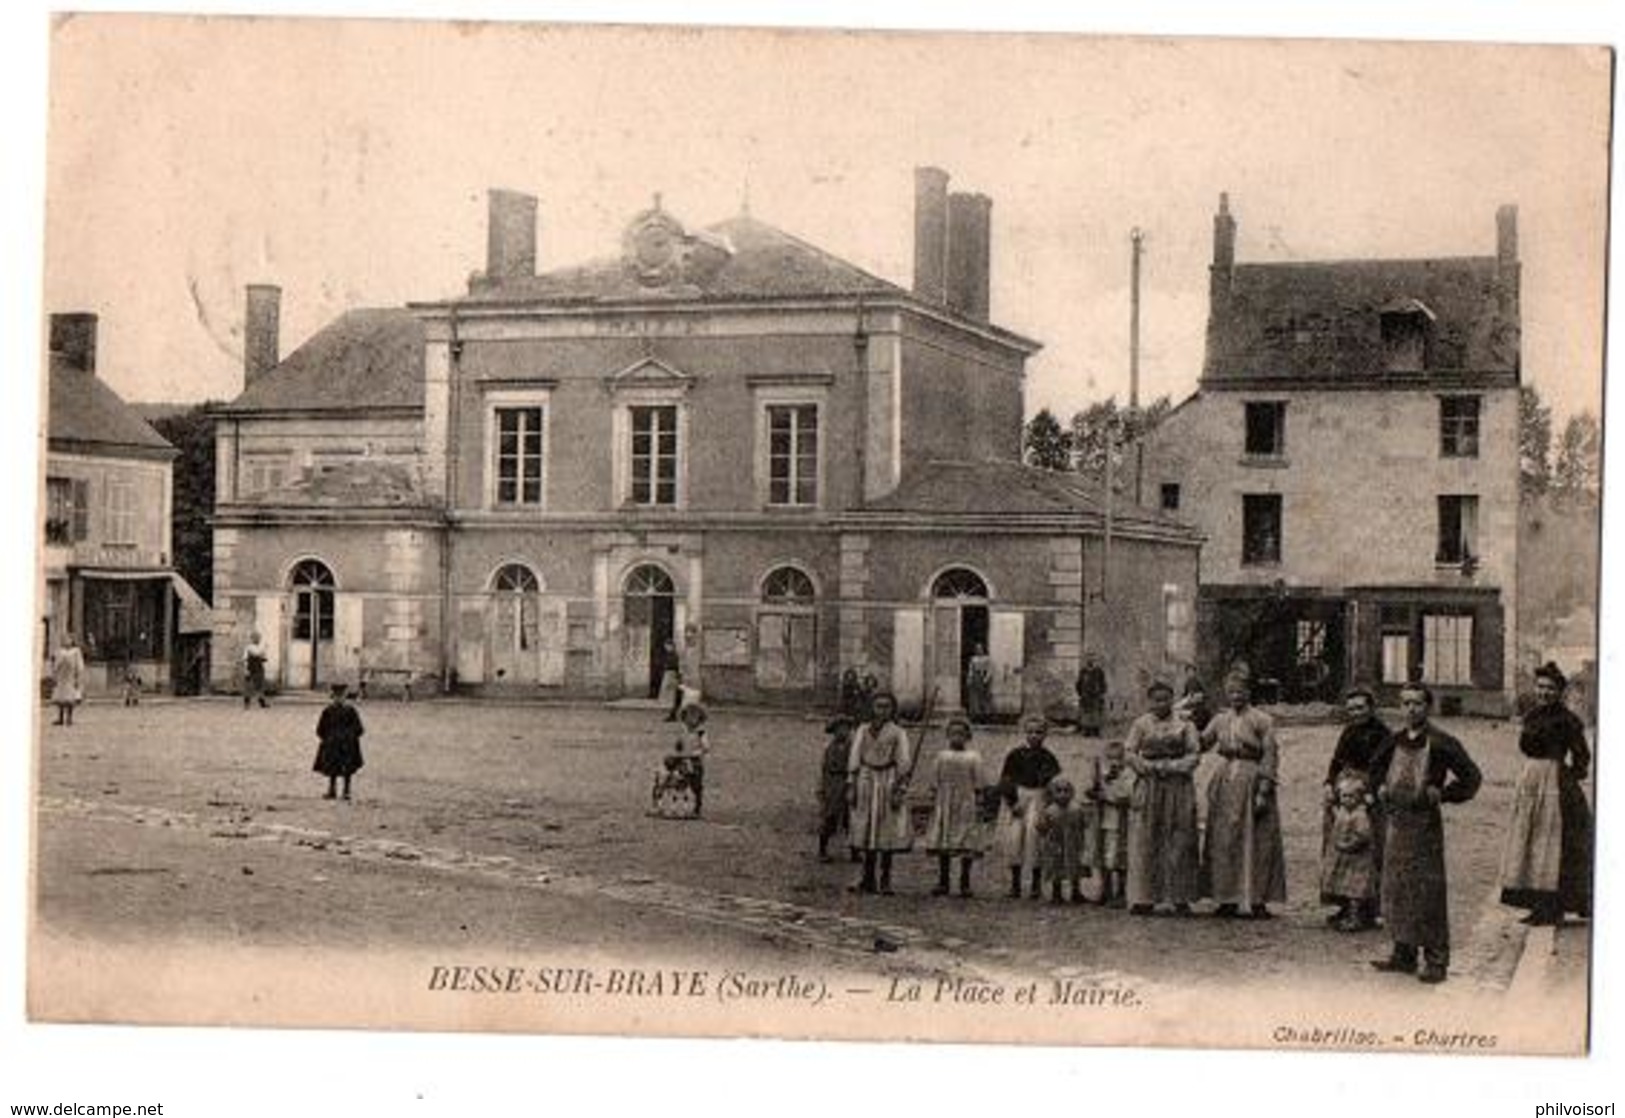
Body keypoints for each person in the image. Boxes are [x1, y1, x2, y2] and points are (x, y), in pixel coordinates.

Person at [1369, 683, 1482, 984]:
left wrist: (1442, 794)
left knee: (1428, 891)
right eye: (1405, 703)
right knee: (1397, 887)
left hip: (1424, 826)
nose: (1411, 709)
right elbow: (1374, 770)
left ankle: (1436, 960)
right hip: (1396, 824)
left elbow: (1472, 778)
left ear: (1427, 707)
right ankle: (1403, 954)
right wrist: (1378, 787)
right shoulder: (1393, 741)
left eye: (1417, 703)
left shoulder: (1442, 742)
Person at [1499, 662, 1593, 927]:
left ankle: (1553, 907)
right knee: (1530, 841)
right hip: (1530, 780)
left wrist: (1567, 779)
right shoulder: (1530, 716)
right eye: (1540, 687)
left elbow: (1582, 757)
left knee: (1551, 845)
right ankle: (1536, 904)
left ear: (1559, 692)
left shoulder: (1568, 720)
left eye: (1550, 688)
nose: (1544, 693)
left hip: (1554, 785)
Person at [1199, 670, 1287, 919]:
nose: (1236, 696)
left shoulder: (1263, 720)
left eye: (1241, 691)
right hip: (1225, 780)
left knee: (1258, 839)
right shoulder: (1220, 720)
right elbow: (1201, 742)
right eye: (1231, 692)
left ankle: (1258, 899)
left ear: (1249, 693)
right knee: (1224, 840)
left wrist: (1263, 790)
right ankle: (1226, 898)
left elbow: (1270, 755)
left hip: (1252, 779)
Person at [1123, 680, 1202, 916]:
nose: (1161, 704)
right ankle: (1143, 897)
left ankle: (1180, 897)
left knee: (1180, 838)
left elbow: (1194, 753)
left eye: (1166, 699)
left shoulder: (1185, 724)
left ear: (1172, 699)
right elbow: (1129, 752)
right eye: (1156, 699)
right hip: (1149, 784)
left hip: (1178, 785)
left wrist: (1173, 767)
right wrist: (1146, 767)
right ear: (1150, 701)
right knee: (1146, 837)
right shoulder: (1140, 724)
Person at [1320, 688, 1389, 930]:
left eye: (1360, 708)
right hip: (1345, 792)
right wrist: (1330, 782)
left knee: (1365, 852)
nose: (1356, 713)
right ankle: (1343, 903)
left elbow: (1383, 767)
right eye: (1351, 709)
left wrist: (1371, 792)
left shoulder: (1382, 734)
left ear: (1371, 708)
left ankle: (1366, 908)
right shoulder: (1348, 731)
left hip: (1367, 794)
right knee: (1339, 849)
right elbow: (1336, 760)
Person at [846, 691, 915, 895]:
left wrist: (900, 789)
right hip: (866, 779)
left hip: (888, 780)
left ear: (892, 709)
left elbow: (904, 762)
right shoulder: (863, 730)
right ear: (872, 707)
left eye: (886, 706)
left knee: (886, 829)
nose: (882, 710)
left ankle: (885, 878)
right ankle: (867, 878)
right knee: (866, 829)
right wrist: (851, 785)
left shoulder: (898, 733)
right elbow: (855, 758)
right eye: (878, 706)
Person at [923, 715, 989, 897]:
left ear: (968, 736)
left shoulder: (974, 757)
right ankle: (943, 881)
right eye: (953, 734)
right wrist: (932, 799)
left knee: (966, 840)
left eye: (961, 734)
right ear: (947, 735)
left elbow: (979, 783)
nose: (957, 737)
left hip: (966, 804)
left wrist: (980, 801)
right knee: (945, 841)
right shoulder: (941, 756)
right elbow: (934, 781)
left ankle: (964, 882)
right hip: (945, 804)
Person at [996, 715, 1062, 899]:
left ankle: (1035, 884)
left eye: (1039, 732)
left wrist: (1049, 804)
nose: (1034, 736)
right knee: (1015, 838)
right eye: (1030, 732)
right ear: (1025, 733)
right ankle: (1015, 884)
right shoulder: (1015, 755)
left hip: (1038, 797)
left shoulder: (1048, 757)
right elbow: (1006, 780)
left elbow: (1054, 782)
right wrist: (1011, 802)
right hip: (1019, 797)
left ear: (1045, 735)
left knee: (1036, 837)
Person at [1322, 771, 1378, 932]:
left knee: (1356, 890)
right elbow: (1335, 821)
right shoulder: (1343, 811)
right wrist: (1329, 809)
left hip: (1358, 860)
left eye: (1351, 796)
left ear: (1359, 797)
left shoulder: (1360, 815)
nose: (1346, 799)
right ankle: (1347, 914)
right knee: (1346, 887)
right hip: (1346, 860)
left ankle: (1356, 918)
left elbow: (1363, 836)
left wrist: (1349, 846)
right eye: (1343, 796)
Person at [1093, 738, 1135, 908]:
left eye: (1118, 759)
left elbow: (1126, 796)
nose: (1114, 763)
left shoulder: (1128, 775)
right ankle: (1106, 889)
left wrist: (1108, 796)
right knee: (1105, 856)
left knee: (1121, 857)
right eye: (1110, 759)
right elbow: (1094, 790)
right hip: (1105, 820)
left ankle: (1122, 892)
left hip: (1122, 821)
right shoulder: (1102, 775)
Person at [1037, 776, 1092, 905]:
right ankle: (1057, 893)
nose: (1063, 794)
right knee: (1056, 867)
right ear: (1053, 793)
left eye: (1066, 791)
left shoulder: (1076, 809)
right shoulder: (1050, 810)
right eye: (1059, 791)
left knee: (1075, 866)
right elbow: (1041, 827)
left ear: (1071, 792)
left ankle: (1076, 892)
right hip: (1055, 844)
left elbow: (1085, 824)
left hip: (1073, 843)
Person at [313, 682, 365, 801]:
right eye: (337, 697)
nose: (339, 699)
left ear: (345, 697)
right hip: (338, 744)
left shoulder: (349, 711)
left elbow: (359, 728)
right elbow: (321, 729)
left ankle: (346, 791)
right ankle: (333, 790)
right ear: (333, 697)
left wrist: (347, 738)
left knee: (346, 769)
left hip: (344, 744)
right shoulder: (328, 711)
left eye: (341, 696)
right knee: (333, 768)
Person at [817, 714, 855, 862]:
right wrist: (822, 789)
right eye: (839, 729)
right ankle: (822, 849)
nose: (842, 732)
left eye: (846, 729)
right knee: (829, 818)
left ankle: (854, 851)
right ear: (833, 731)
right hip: (832, 784)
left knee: (850, 819)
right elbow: (823, 769)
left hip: (847, 782)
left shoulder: (853, 746)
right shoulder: (828, 748)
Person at [665, 700, 710, 816]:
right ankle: (677, 805)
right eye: (689, 716)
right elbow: (678, 746)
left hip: (695, 760)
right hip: (683, 758)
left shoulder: (701, 733)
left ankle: (697, 807)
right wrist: (677, 748)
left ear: (700, 719)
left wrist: (697, 752)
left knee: (696, 784)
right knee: (678, 781)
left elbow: (705, 747)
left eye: (695, 717)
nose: (691, 720)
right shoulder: (683, 732)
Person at [51, 634, 86, 727]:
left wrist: (78, 675)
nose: (67, 642)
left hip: (71, 676)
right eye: (65, 640)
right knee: (61, 698)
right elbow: (55, 663)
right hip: (61, 677)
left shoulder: (76, 651)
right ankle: (60, 718)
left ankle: (69, 718)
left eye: (69, 640)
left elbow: (79, 664)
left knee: (70, 698)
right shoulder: (60, 651)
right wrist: (55, 673)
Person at [1075, 654, 1107, 738]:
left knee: (1096, 713)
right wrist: (1081, 693)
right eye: (1089, 658)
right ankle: (1086, 731)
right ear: (1086, 660)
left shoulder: (1099, 671)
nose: (1091, 660)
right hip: (1086, 696)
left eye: (1093, 658)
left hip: (1096, 695)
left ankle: (1096, 731)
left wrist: (1101, 692)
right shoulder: (1083, 671)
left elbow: (1103, 683)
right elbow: (1078, 683)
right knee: (1086, 713)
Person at [964, 645, 994, 724]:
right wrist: (969, 679)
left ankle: (985, 717)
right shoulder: (973, 659)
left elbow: (989, 669)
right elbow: (971, 670)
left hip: (982, 678)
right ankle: (975, 716)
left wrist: (986, 679)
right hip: (975, 678)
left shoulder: (987, 659)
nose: (979, 650)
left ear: (983, 649)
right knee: (974, 698)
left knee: (984, 698)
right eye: (977, 649)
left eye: (980, 649)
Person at [242, 630, 269, 709]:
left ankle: (262, 703)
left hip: (259, 667)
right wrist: (246, 670)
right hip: (251, 667)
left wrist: (263, 656)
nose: (258, 640)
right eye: (256, 638)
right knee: (248, 686)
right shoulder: (249, 647)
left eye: (258, 638)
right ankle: (247, 703)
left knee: (260, 686)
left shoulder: (259, 647)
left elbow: (264, 657)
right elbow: (249, 657)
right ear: (252, 639)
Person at [657, 639, 682, 719]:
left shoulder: (674, 655)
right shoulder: (670, 655)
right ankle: (672, 714)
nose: (666, 647)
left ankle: (673, 714)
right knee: (669, 696)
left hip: (672, 674)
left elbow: (675, 666)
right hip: (669, 674)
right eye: (666, 646)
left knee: (671, 695)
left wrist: (677, 676)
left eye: (667, 646)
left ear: (671, 646)